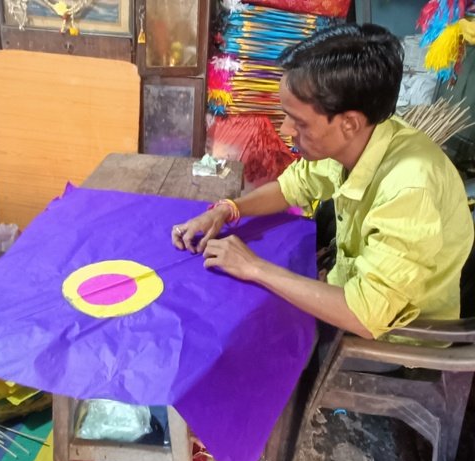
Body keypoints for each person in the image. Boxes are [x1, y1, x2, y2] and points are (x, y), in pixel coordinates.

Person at [171, 23, 474, 340]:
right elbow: (292, 186)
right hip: (351, 289)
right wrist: (227, 209)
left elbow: (364, 316)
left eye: (299, 121)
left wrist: (255, 268)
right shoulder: (360, 135)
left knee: (248, 334)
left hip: (398, 337)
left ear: (348, 124)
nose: (286, 130)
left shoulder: (410, 190)